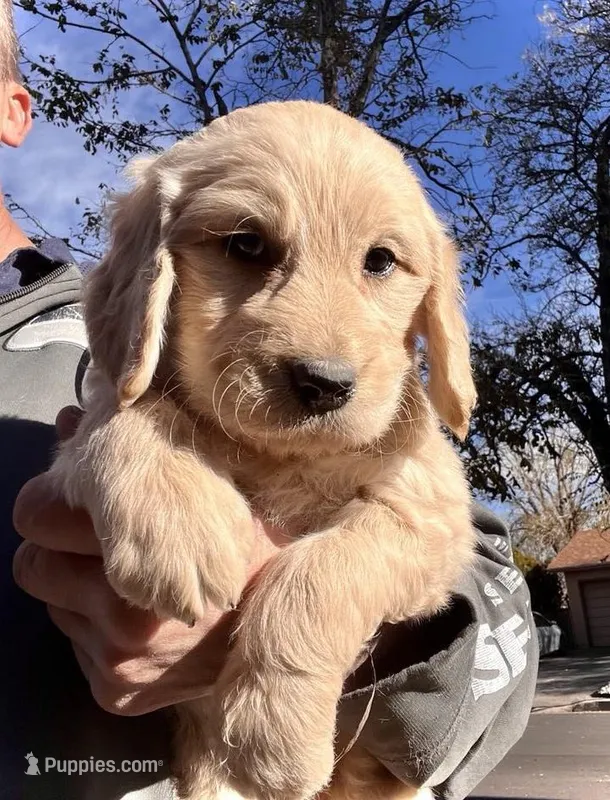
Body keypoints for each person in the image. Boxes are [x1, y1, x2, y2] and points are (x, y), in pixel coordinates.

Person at [1, 3, 538, 798]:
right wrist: (125, 449)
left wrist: (318, 635)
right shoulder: (137, 389)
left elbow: (466, 570)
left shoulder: (390, 434)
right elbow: (116, 425)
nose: (322, 349)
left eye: (382, 261)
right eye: (247, 248)